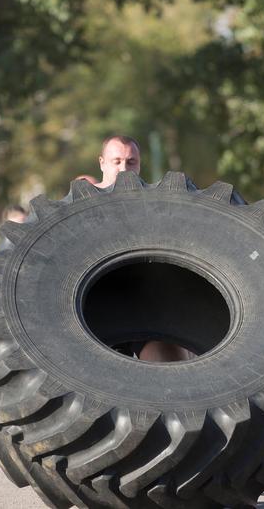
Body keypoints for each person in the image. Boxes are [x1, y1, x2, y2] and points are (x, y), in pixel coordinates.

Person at [92, 135, 191, 362]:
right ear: (102, 163)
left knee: (170, 363)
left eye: (131, 162)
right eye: (116, 161)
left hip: (144, 303)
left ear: (139, 164)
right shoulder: (77, 207)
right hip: (92, 306)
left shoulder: (156, 206)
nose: (123, 169)